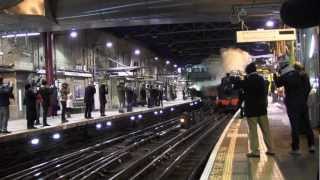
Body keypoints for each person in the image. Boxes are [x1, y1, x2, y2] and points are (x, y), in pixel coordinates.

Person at [274, 62, 315, 154]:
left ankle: (296, 148)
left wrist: (274, 74)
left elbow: (277, 84)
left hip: (292, 105)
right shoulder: (302, 75)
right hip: (302, 104)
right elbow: (308, 88)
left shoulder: (285, 76)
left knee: (295, 126)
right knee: (307, 124)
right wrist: (303, 98)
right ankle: (311, 145)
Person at [237, 63, 274, 158]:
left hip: (251, 110)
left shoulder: (247, 81)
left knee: (253, 131)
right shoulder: (261, 79)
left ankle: (255, 152)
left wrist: (240, 79)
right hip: (262, 109)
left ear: (248, 72)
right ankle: (270, 149)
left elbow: (239, 87)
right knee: (266, 130)